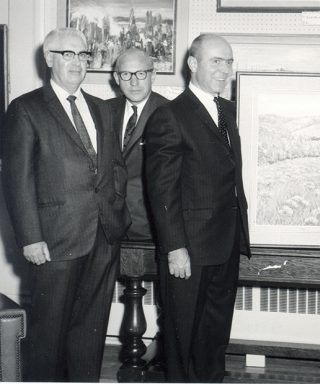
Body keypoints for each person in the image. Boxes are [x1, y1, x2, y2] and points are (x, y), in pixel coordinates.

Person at [1, 28, 130, 381]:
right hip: (53, 241)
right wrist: (30, 237)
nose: (77, 62)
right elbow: (17, 180)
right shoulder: (26, 109)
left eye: (83, 55)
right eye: (68, 54)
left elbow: (115, 169)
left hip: (102, 239)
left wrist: (117, 218)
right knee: (47, 336)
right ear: (49, 59)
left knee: (90, 335)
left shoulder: (103, 109)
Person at [144, 33, 251, 382]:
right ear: (192, 64)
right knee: (182, 339)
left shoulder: (228, 110)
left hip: (225, 244)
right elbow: (162, 190)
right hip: (188, 249)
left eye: (229, 61)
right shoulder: (169, 116)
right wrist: (175, 248)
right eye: (216, 61)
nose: (225, 70)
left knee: (214, 337)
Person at [108, 48, 168, 241]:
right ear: (117, 78)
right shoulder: (103, 111)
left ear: (154, 75)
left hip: (151, 228)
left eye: (141, 74)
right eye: (126, 74)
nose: (134, 82)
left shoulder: (172, 114)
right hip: (107, 227)